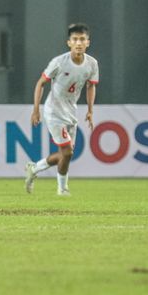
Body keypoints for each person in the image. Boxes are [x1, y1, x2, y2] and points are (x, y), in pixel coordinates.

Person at [24, 23, 99, 196]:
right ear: (69, 43)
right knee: (67, 151)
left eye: (82, 39)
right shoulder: (59, 62)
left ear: (88, 42)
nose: (78, 43)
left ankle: (34, 168)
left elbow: (90, 87)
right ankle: (62, 189)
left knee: (65, 155)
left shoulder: (92, 64)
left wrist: (90, 110)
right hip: (53, 111)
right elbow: (41, 83)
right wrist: (36, 109)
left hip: (71, 112)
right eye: (75, 39)